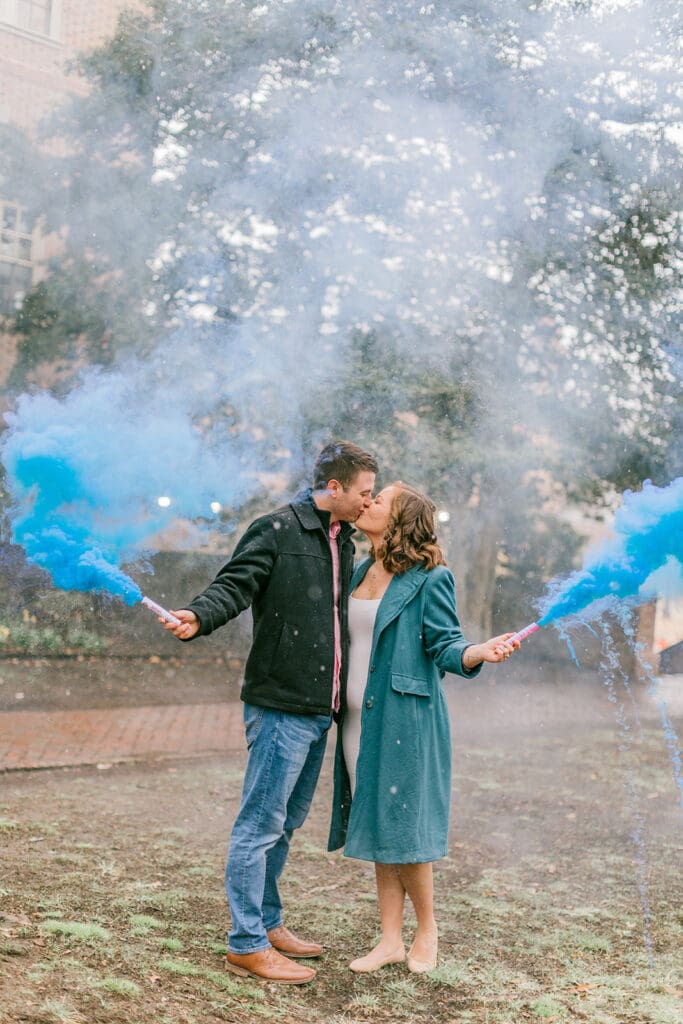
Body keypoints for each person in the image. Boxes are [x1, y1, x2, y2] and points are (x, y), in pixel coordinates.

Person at [163, 441, 377, 984]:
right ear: (334, 488)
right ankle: (246, 943)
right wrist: (198, 614)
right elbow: (235, 583)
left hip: (317, 708)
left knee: (284, 824)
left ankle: (269, 921)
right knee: (258, 827)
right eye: (363, 493)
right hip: (278, 704)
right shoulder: (278, 529)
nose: (366, 503)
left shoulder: (343, 541)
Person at [328, 482, 519, 974]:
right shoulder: (357, 571)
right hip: (358, 721)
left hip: (406, 722)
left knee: (406, 828)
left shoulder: (431, 578)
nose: (367, 503)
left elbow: (446, 644)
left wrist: (478, 652)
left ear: (400, 520)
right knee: (375, 824)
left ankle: (427, 930)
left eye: (380, 501)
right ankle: (390, 938)